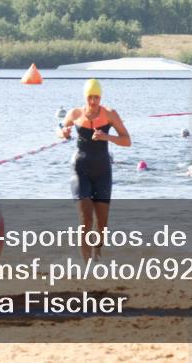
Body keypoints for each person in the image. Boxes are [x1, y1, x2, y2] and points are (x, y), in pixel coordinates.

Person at [58, 78, 131, 260]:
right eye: (90, 97)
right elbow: (60, 130)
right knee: (86, 220)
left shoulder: (110, 114)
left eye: (96, 97)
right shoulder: (75, 114)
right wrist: (64, 133)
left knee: (102, 223)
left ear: (101, 97)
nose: (93, 101)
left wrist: (107, 136)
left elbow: (127, 140)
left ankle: (97, 254)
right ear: (85, 97)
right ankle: (85, 263)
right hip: (80, 168)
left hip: (102, 171)